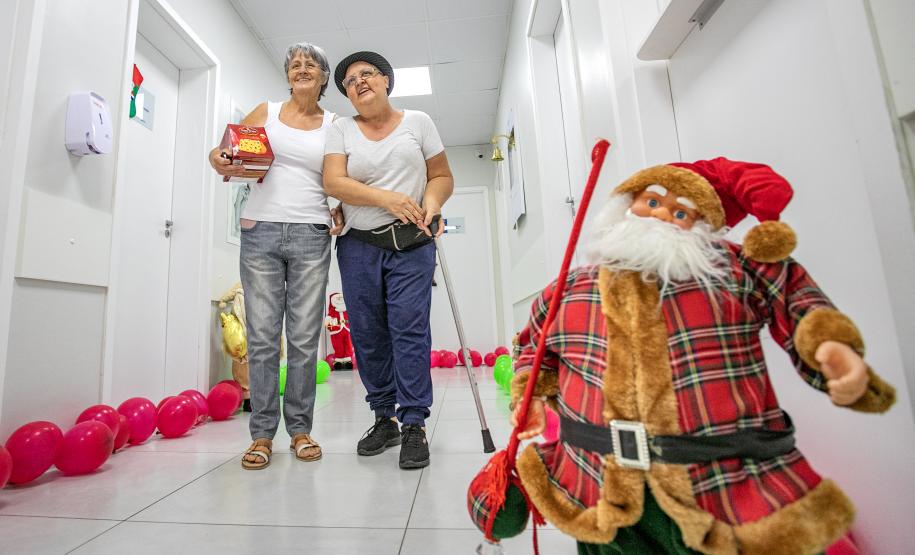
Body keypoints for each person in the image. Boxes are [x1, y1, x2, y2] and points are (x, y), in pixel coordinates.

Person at [472, 158, 895, 553]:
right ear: (626, 206)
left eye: (680, 212)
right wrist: (529, 396)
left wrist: (832, 350)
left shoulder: (733, 271)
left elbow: (798, 304)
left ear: (704, 225)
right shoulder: (572, 286)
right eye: (651, 201)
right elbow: (534, 347)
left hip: (722, 486)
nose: (661, 215)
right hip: (598, 480)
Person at [208, 42, 344, 470]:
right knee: (264, 337)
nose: (302, 69)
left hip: (311, 232)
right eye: (295, 65)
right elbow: (224, 152)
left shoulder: (336, 124)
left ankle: (300, 429)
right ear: (287, 76)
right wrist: (219, 157)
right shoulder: (264, 111)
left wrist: (340, 208)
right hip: (260, 231)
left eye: (311, 65)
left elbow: (342, 177)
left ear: (323, 78)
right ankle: (262, 434)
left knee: (304, 337)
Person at [323, 51, 454, 470]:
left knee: (409, 329)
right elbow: (334, 181)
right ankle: (384, 417)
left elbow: (442, 176)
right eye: (349, 80)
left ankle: (413, 421)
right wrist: (389, 199)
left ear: (385, 81)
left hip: (413, 243)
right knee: (367, 333)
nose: (358, 81)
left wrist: (430, 204)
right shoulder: (341, 129)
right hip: (358, 244)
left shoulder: (418, 122)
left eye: (367, 74)